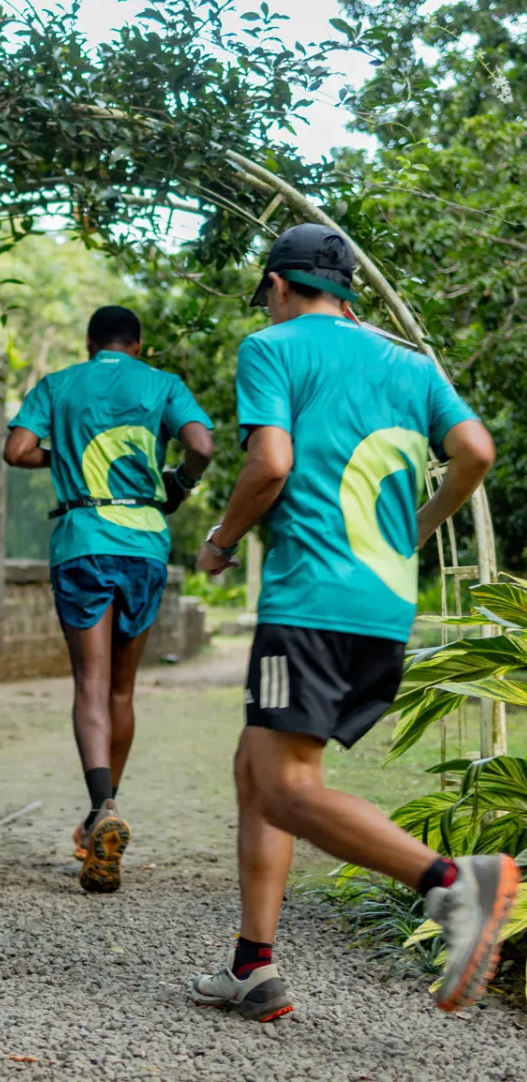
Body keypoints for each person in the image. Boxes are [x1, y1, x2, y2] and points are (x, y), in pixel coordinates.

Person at [188, 223, 511, 1023]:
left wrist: (220, 541)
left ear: (275, 284)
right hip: (381, 602)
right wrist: (416, 530)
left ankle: (452, 884)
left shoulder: (272, 349)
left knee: (287, 790)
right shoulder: (407, 361)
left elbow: (269, 464)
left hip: (308, 602)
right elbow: (474, 449)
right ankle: (252, 968)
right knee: (254, 768)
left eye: (265, 294)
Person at [5, 305, 215, 894]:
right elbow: (201, 445)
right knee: (123, 688)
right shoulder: (162, 385)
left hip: (83, 541)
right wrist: (179, 482)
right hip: (145, 541)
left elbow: (17, 451)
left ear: (90, 343)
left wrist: (64, 454)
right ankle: (106, 812)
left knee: (90, 685)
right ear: (139, 346)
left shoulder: (58, 385)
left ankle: (103, 808)